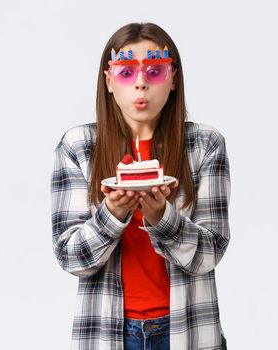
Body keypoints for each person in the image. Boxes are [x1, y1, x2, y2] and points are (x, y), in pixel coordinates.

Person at [50, 22, 231, 350]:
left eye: (155, 71)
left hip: (187, 331)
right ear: (108, 81)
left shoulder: (205, 145)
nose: (141, 85)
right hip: (109, 333)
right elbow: (70, 257)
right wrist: (113, 213)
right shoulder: (78, 146)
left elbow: (210, 252)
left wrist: (163, 217)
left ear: (173, 79)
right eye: (126, 73)